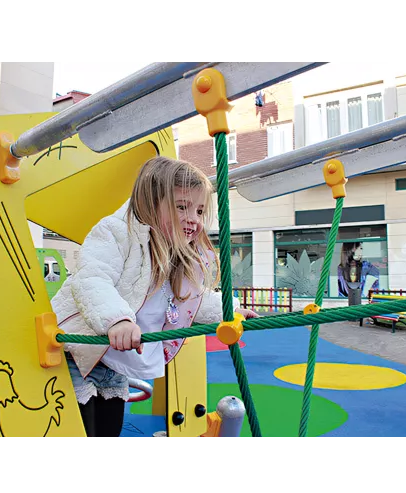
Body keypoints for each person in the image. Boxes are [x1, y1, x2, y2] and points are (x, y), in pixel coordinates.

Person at [51, 156, 258, 439]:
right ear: (151, 203)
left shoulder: (179, 257)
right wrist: (118, 320)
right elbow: (93, 279)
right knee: (80, 431)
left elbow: (192, 300)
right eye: (182, 207)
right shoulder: (116, 233)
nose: (193, 219)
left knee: (109, 431)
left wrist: (230, 310)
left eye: (199, 211)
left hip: (115, 364)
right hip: (78, 355)